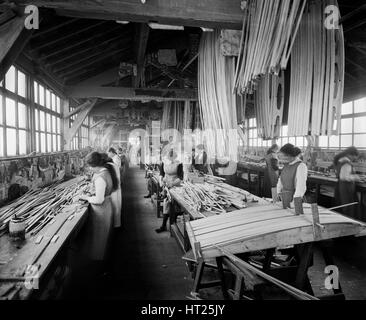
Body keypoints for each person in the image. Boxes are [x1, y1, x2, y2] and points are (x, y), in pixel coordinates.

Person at [79, 152, 119, 261]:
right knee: (102, 239)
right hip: (106, 206)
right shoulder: (106, 171)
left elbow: (99, 199)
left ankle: (98, 266)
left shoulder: (100, 177)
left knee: (99, 240)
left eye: (90, 166)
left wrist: (86, 197)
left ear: (95, 165)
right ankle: (101, 262)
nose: (89, 169)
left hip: (101, 210)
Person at [155, 149, 183, 233]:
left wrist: (173, 183)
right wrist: (161, 180)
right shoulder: (164, 162)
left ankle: (172, 225)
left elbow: (181, 177)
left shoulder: (179, 164)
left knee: (174, 206)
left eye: (172, 157)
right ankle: (164, 225)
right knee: (166, 204)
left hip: (176, 187)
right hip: (166, 186)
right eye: (169, 157)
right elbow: (162, 173)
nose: (170, 159)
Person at [333, 146, 361, 219]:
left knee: (343, 205)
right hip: (346, 187)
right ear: (350, 155)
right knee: (348, 206)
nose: (355, 159)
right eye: (355, 156)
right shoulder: (346, 163)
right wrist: (356, 177)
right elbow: (344, 176)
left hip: (342, 186)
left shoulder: (340, 160)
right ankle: (349, 223)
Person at [101, 153, 122, 229]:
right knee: (117, 209)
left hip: (113, 191)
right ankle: (117, 226)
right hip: (116, 189)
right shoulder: (113, 164)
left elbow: (108, 182)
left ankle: (115, 229)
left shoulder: (108, 167)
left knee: (114, 210)